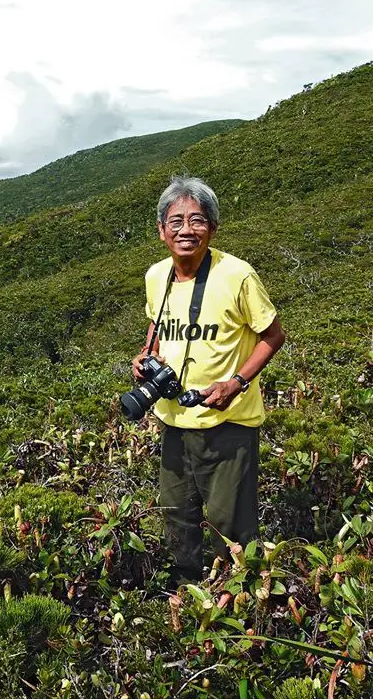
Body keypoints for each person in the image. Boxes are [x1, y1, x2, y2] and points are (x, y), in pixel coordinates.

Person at [131, 175, 285, 585]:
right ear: (161, 230)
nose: (186, 230)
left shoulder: (237, 275)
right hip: (174, 420)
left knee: (228, 523)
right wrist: (147, 354)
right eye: (176, 221)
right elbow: (157, 321)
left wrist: (235, 382)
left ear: (212, 228)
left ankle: (239, 598)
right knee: (176, 513)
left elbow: (273, 335)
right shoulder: (156, 276)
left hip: (226, 423)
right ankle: (186, 594)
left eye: (197, 220)